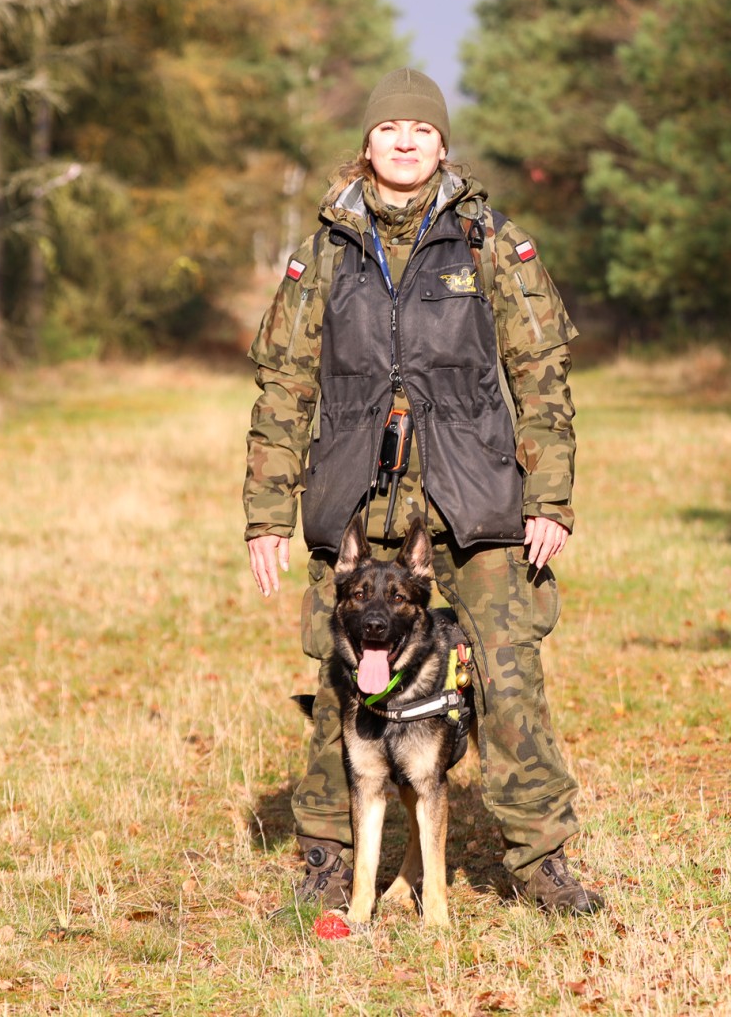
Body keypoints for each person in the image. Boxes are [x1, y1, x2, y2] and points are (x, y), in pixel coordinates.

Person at [242, 68, 602, 915]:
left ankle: (541, 861)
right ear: (366, 143)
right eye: (389, 128)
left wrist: (548, 498)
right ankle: (331, 856)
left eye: (422, 129)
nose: (405, 142)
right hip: (358, 496)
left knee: (510, 673)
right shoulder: (324, 249)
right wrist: (266, 515)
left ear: (444, 144)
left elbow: (542, 375)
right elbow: (283, 389)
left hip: (474, 493)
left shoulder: (488, 240)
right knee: (347, 680)